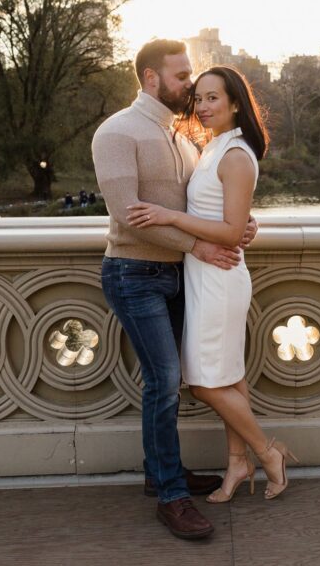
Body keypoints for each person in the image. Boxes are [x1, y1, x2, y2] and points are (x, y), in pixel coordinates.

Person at [92, 39, 256, 540]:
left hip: (180, 276)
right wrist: (199, 247)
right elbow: (129, 215)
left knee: (179, 380)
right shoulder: (116, 132)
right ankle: (171, 495)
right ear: (150, 78)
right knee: (163, 381)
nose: (190, 85)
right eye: (182, 76)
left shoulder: (185, 138)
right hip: (133, 272)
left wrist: (243, 224)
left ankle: (161, 472)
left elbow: (211, 205)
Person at [127, 65, 296, 507]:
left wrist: (168, 217)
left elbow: (229, 230)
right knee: (229, 376)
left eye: (212, 98)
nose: (202, 107)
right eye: (198, 98)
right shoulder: (213, 147)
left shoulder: (236, 154)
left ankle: (268, 452)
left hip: (219, 278)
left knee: (203, 383)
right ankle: (237, 463)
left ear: (236, 102)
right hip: (202, 277)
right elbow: (232, 219)